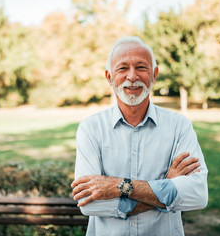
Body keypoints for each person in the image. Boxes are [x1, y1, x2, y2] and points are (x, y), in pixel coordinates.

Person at [71, 36, 208, 236]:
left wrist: (119, 187)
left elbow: (197, 195)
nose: (132, 76)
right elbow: (89, 205)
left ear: (154, 74)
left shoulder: (179, 126)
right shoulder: (91, 128)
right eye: (123, 68)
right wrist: (166, 188)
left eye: (141, 67)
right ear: (109, 77)